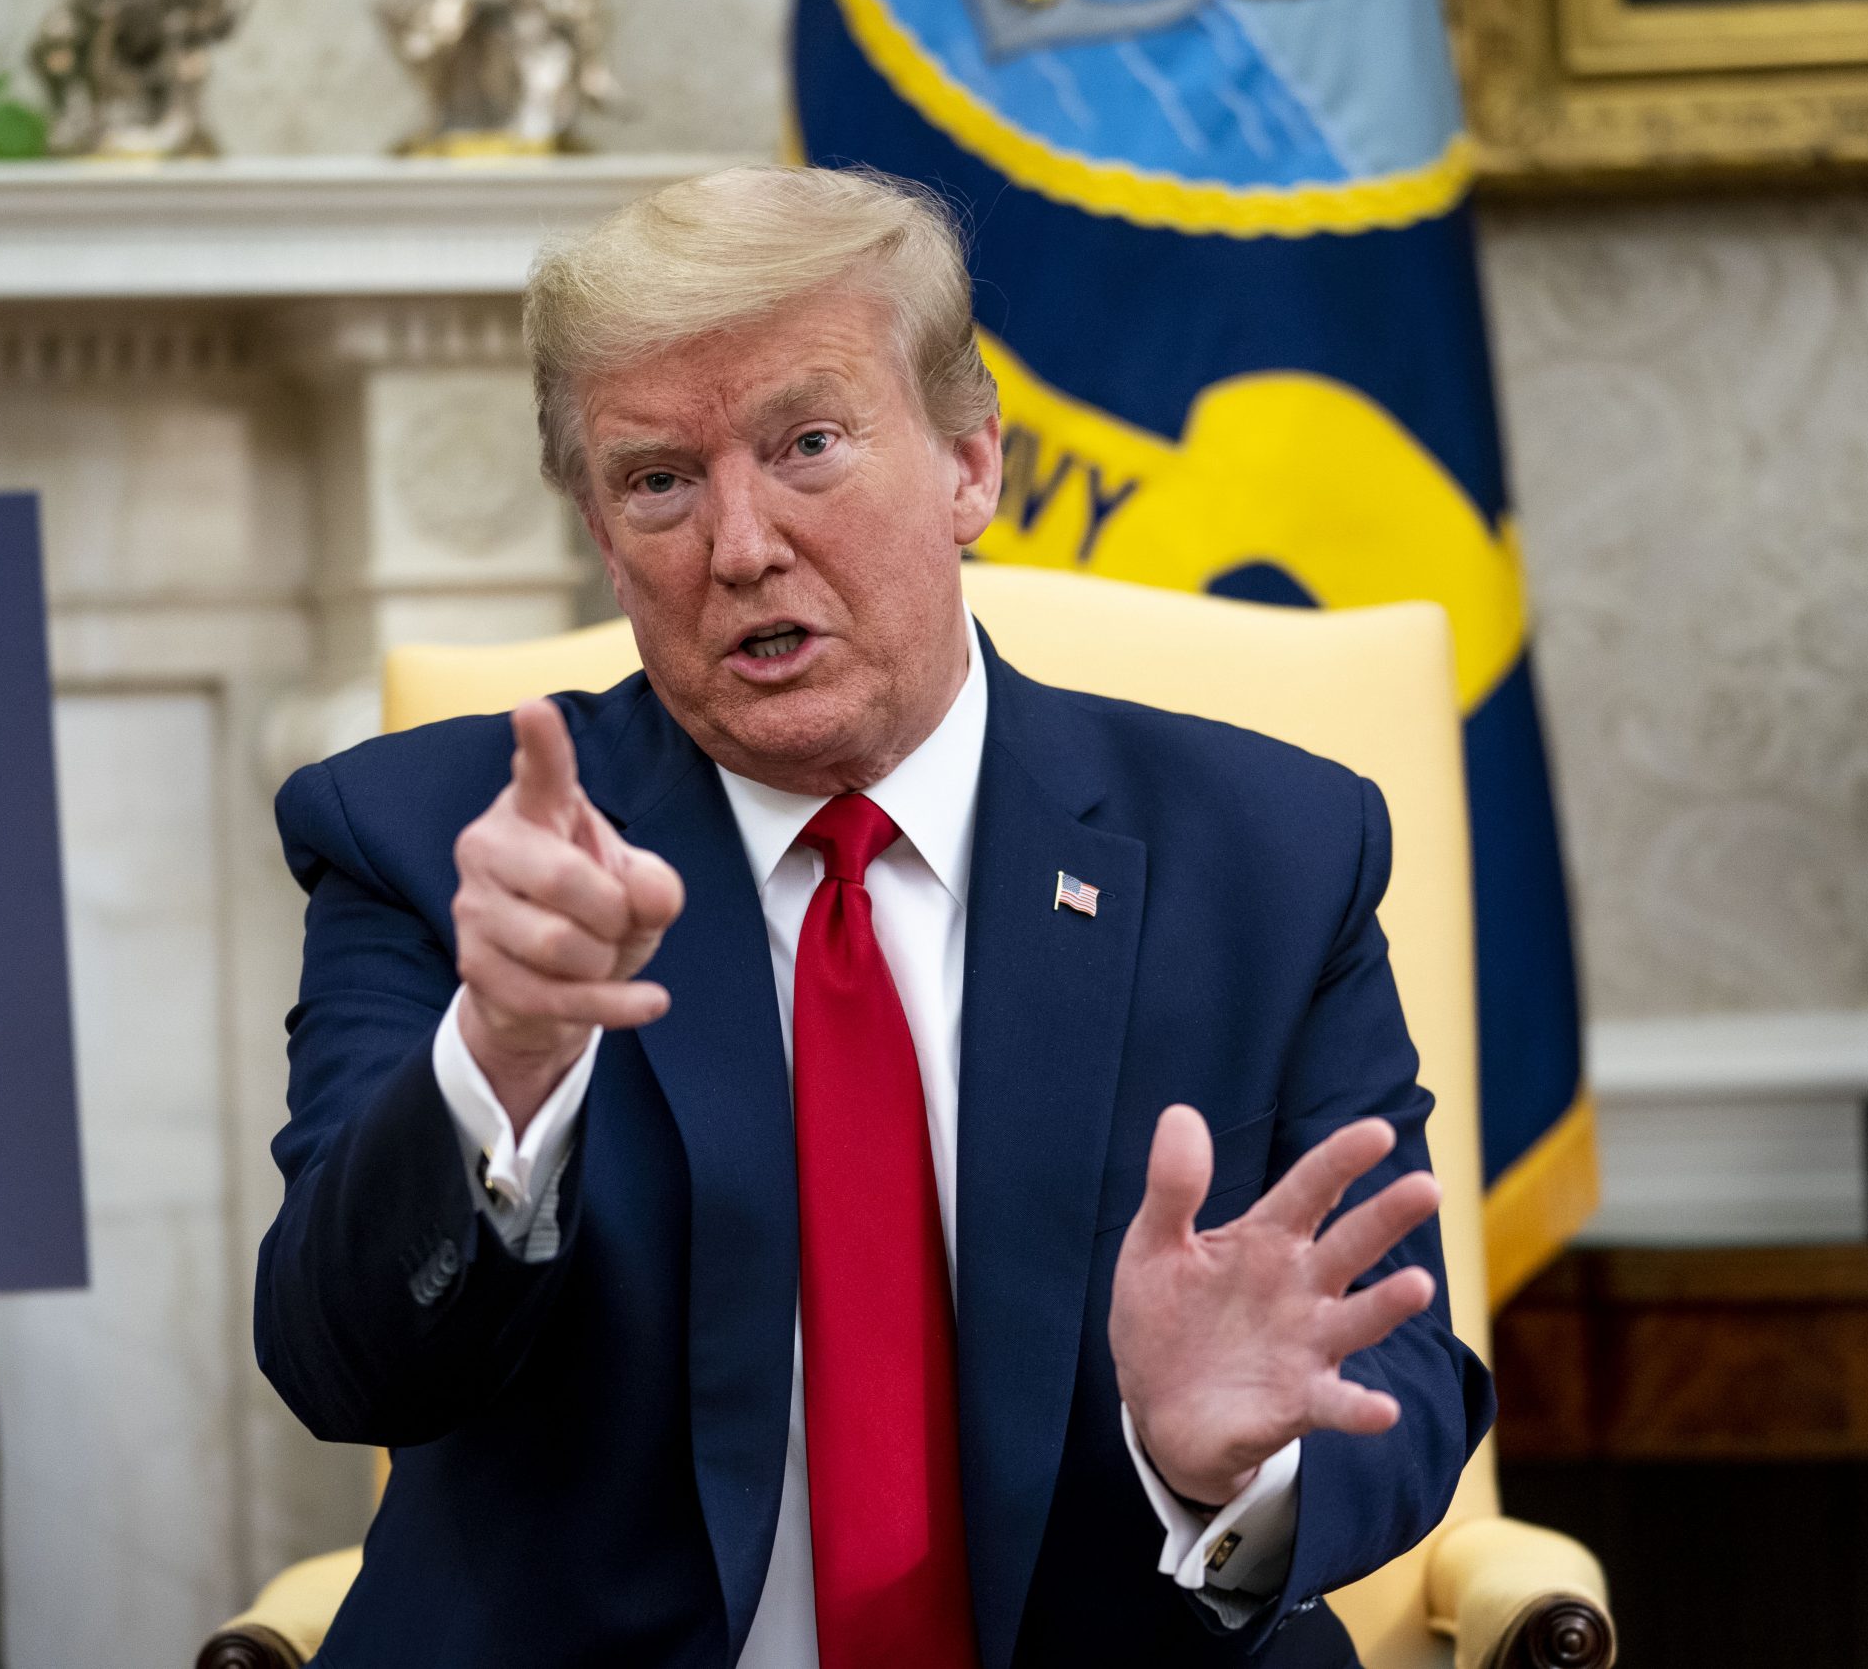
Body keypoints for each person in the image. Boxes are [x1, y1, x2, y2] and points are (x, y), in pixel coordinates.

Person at [259, 164, 1492, 1668]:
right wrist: (502, 1060)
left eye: (811, 445)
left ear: (972, 465)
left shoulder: (1266, 853)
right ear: (600, 528)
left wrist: (1228, 1463)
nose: (740, 544)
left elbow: (1403, 1364)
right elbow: (343, 1365)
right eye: (658, 480)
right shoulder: (448, 849)